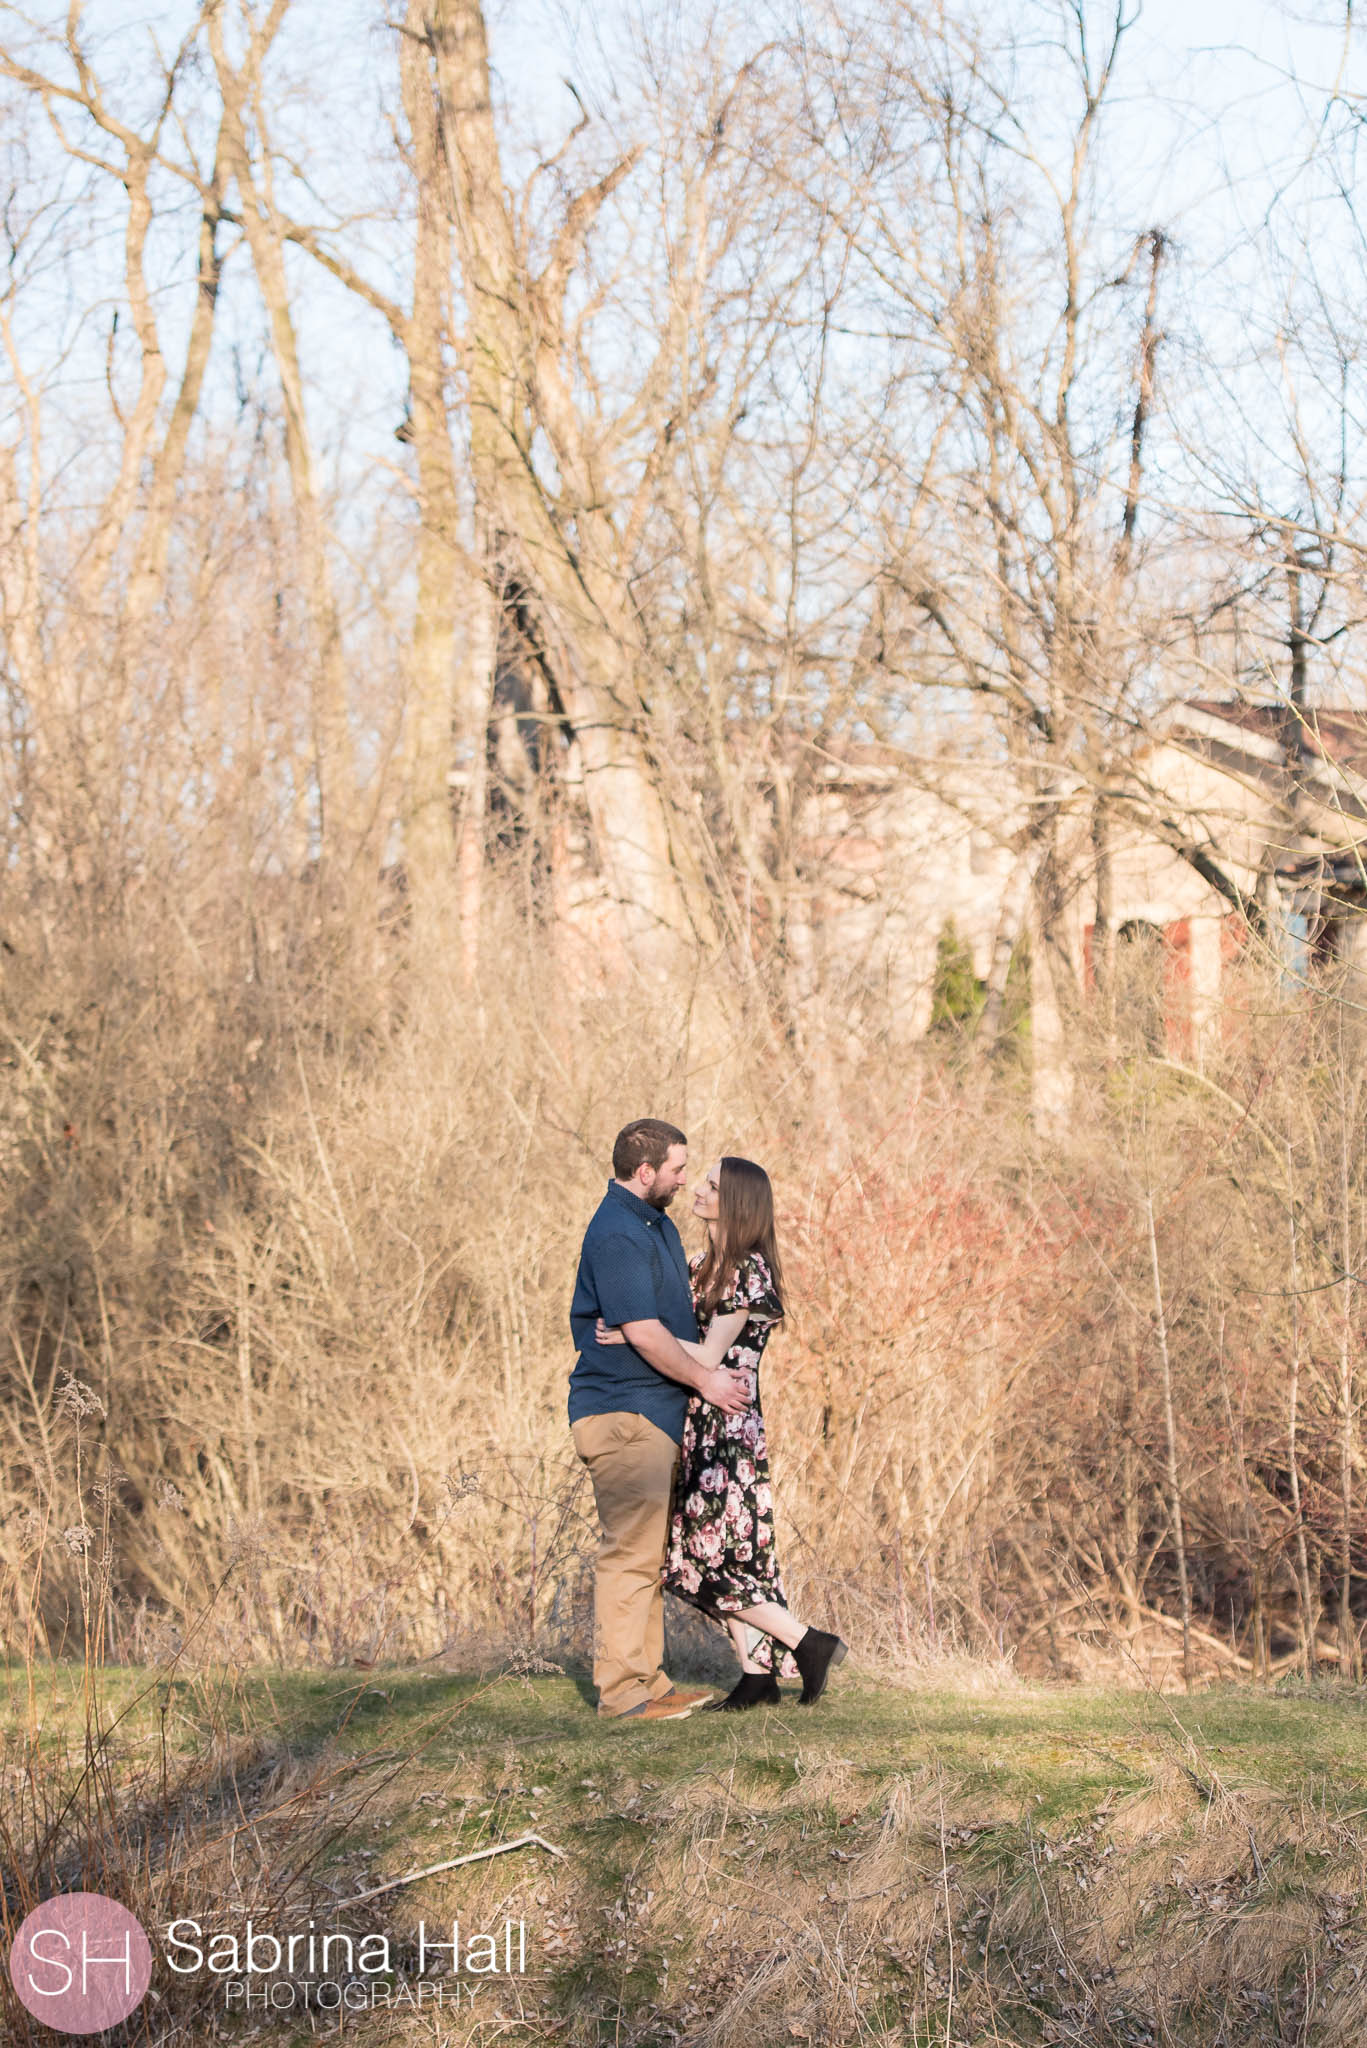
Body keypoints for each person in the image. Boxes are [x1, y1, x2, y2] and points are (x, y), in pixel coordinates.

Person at [600, 1155, 847, 1710]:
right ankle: (757, 1674)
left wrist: (636, 1334)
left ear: (734, 1202)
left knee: (712, 1558)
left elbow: (711, 1354)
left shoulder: (747, 1271)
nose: (697, 1191)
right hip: (698, 1420)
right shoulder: (698, 1265)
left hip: (728, 1430)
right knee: (702, 1556)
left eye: (710, 1186)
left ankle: (808, 1643)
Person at [569, 1119, 750, 1720]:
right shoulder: (620, 1233)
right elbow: (645, 1332)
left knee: (646, 1556)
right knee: (628, 1554)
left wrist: (633, 1328)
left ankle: (647, 1683)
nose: (683, 1177)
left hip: (652, 1413)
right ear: (645, 1172)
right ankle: (621, 1694)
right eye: (676, 1167)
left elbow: (649, 1322)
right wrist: (707, 1381)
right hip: (624, 1412)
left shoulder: (654, 1225)